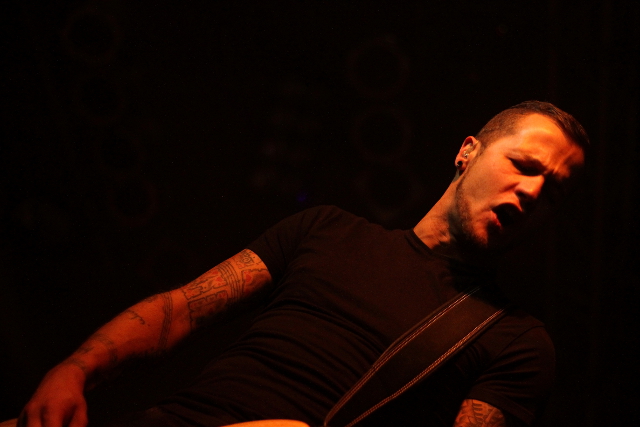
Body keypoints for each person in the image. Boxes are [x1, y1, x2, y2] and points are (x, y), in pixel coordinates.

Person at [17, 101, 589, 427]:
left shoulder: (515, 341)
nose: (533, 192)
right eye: (524, 165)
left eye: (554, 192)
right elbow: (180, 311)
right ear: (467, 152)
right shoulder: (327, 230)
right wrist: (73, 371)